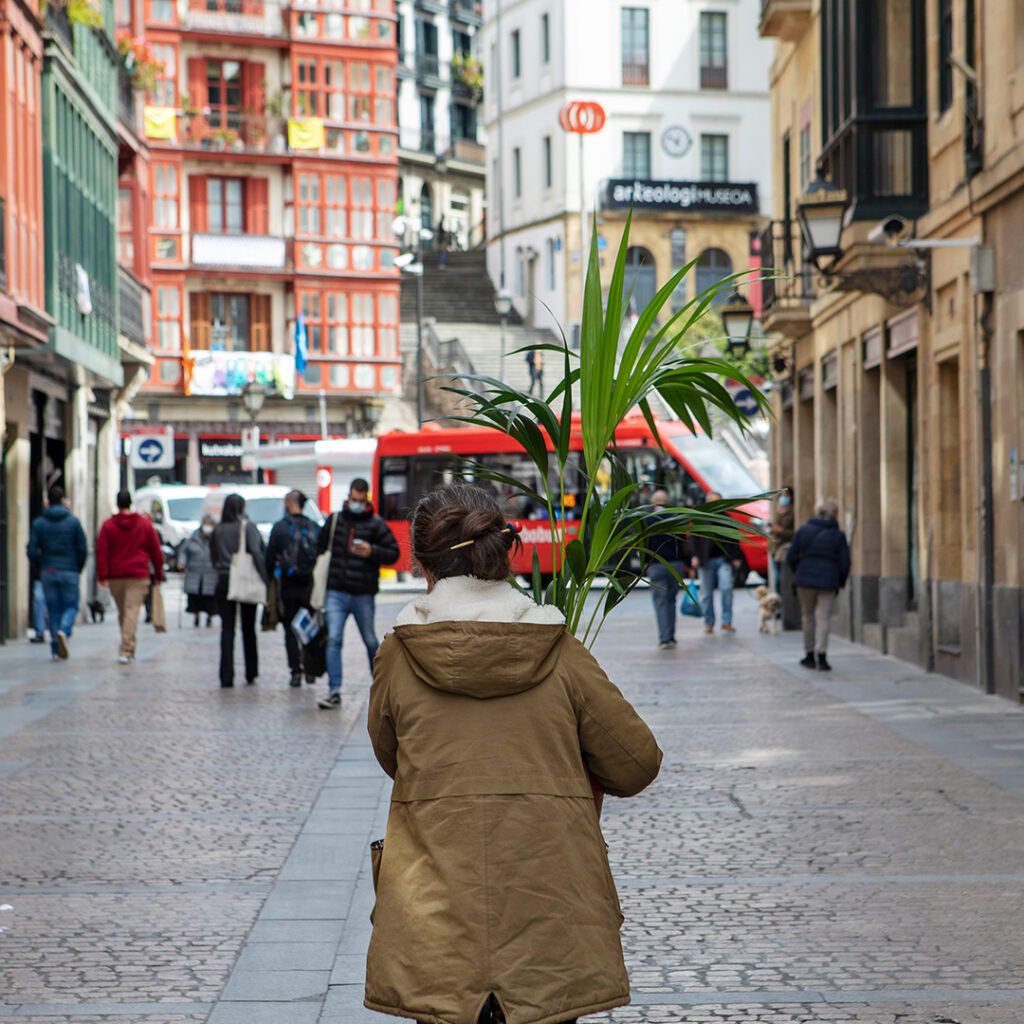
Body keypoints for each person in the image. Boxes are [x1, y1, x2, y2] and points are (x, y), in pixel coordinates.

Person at [364, 483, 663, 1024]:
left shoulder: (398, 655)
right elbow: (636, 763)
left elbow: (393, 758)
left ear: (422, 565)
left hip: (436, 925)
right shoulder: (558, 648)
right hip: (549, 919)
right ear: (503, 554)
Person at [315, 478, 399, 709]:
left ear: (366, 499)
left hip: (363, 593)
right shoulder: (335, 520)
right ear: (348, 497)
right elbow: (319, 547)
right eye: (354, 500)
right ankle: (334, 690)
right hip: (336, 591)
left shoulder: (376, 524)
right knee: (334, 639)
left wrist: (372, 551)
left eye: (361, 501)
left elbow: (393, 553)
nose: (357, 504)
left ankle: (381, 687)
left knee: (370, 640)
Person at [96, 490, 165, 664]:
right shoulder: (144, 524)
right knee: (130, 611)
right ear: (131, 503)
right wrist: (159, 573)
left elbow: (101, 551)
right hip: (138, 575)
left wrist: (102, 575)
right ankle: (128, 647)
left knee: (125, 611)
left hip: (116, 576)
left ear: (117, 503)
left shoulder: (108, 525)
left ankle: (126, 647)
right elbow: (156, 550)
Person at [787, 496, 851, 672]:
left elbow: (791, 556)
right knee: (823, 617)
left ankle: (809, 654)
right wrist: (840, 581)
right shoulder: (838, 535)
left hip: (805, 580)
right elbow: (845, 562)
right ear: (835, 514)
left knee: (807, 616)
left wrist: (799, 572)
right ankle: (822, 655)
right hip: (828, 581)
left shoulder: (803, 531)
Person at [210, 493, 267, 688]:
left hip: (223, 579)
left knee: (227, 629)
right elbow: (256, 553)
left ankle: (226, 676)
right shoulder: (246, 527)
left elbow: (214, 556)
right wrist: (265, 578)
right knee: (248, 628)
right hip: (243, 578)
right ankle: (251, 671)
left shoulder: (218, 529)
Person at [265, 490, 320, 687]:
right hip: (309, 585)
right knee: (308, 626)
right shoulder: (314, 527)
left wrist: (269, 580)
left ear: (289, 503)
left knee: (290, 628)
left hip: (287, 586)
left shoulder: (280, 528)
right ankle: (311, 668)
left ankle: (295, 671)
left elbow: (269, 558)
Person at [26, 484, 88, 661]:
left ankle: (55, 648)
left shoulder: (39, 523)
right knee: (71, 606)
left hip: (49, 570)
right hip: (69, 570)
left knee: (53, 609)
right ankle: (64, 630)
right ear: (63, 501)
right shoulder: (73, 522)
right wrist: (77, 567)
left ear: (47, 502)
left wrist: (39, 566)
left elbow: (31, 549)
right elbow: (82, 548)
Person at [690, 491, 743, 634]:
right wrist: (694, 556)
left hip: (723, 559)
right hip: (705, 560)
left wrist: (736, 557)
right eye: (713, 501)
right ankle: (709, 621)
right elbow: (692, 538)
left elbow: (735, 538)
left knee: (727, 588)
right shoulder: (700, 518)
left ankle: (726, 621)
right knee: (706, 593)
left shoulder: (727, 518)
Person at [646, 489, 690, 650]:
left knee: (660, 602)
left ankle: (664, 638)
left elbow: (642, 544)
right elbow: (684, 544)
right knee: (671, 601)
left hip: (655, 566)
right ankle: (671, 636)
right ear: (668, 503)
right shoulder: (676, 518)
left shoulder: (647, 520)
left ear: (653, 503)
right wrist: (688, 563)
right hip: (675, 565)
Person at [179, 515, 219, 628]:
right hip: (194, 572)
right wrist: (182, 562)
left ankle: (209, 617)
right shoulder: (193, 537)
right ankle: (196, 617)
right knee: (195, 597)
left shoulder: (216, 539)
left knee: (210, 598)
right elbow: (184, 551)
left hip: (211, 573)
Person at [769, 485, 795, 594]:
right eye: (781, 495)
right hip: (774, 549)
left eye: (786, 495)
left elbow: (794, 533)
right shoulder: (778, 511)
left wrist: (780, 530)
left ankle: (785, 599)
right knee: (777, 579)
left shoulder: (792, 513)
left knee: (783, 578)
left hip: (785, 549)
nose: (783, 498)